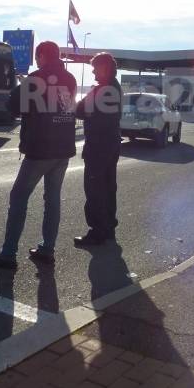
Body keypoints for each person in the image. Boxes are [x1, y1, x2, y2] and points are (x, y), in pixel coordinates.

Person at [0, 41, 77, 269]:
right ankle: (47, 249)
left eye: (38, 56)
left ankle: (8, 254)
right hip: (63, 148)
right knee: (52, 200)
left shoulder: (36, 78)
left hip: (40, 148)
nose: (36, 60)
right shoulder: (71, 79)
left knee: (18, 198)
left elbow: (13, 107)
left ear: (44, 55)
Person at [73, 52, 122, 246]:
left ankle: (98, 231)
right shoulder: (114, 87)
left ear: (104, 68)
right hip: (110, 144)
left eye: (95, 67)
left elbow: (79, 110)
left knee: (95, 188)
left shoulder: (102, 90)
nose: (92, 70)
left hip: (98, 146)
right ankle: (108, 227)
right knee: (108, 187)